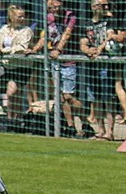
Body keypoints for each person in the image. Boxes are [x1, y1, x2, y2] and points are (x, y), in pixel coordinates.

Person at [29, 0, 86, 138]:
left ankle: (86, 120)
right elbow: (46, 37)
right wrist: (34, 49)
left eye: (56, 4)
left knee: (68, 96)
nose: (54, 7)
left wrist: (58, 50)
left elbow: (67, 34)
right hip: (55, 62)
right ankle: (70, 126)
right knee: (60, 97)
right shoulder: (48, 18)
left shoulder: (71, 17)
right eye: (50, 5)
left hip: (68, 61)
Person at [0, 5, 33, 129]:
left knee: (13, 93)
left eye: (23, 16)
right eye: (19, 16)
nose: (22, 18)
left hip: (22, 66)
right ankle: (11, 120)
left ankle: (17, 120)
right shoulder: (4, 29)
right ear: (11, 17)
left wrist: (3, 51)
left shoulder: (26, 30)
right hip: (7, 66)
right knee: (12, 95)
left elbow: (22, 47)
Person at [80, 0, 118, 141]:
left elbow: (109, 35)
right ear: (94, 7)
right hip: (91, 66)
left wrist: (100, 49)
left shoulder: (110, 21)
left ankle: (110, 131)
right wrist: (88, 50)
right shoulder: (86, 24)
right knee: (94, 99)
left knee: (108, 99)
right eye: (103, 5)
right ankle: (100, 130)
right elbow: (82, 43)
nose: (106, 8)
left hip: (105, 65)